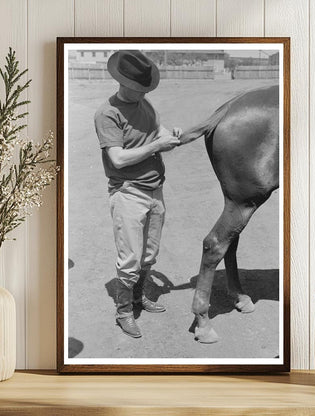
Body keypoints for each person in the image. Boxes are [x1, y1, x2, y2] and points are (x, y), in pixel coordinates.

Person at [94, 50, 181, 338]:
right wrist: (157, 146)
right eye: (139, 88)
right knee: (130, 258)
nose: (144, 93)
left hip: (155, 190)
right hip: (128, 192)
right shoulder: (108, 113)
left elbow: (158, 129)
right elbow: (117, 159)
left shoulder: (145, 103)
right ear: (123, 82)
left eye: (146, 89)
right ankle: (123, 312)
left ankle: (137, 297)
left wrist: (171, 133)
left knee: (149, 253)